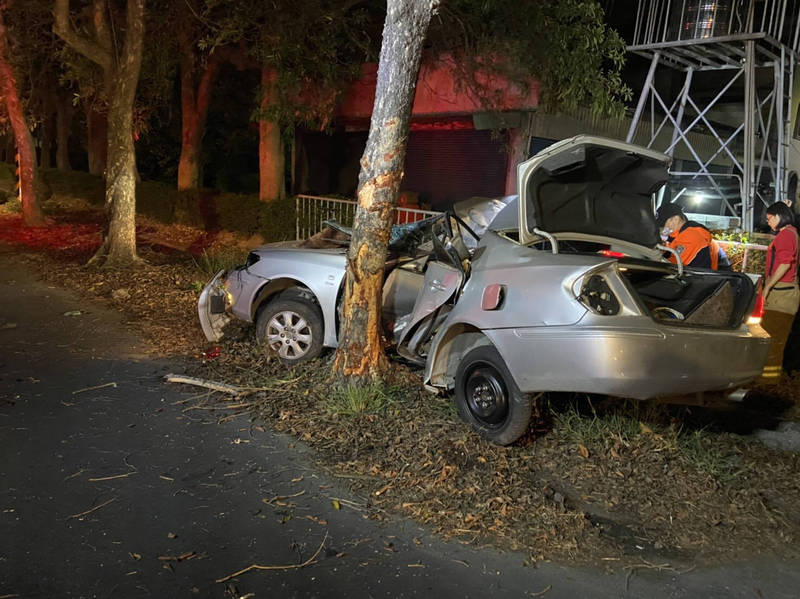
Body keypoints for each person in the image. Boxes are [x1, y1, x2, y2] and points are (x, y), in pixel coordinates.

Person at [759, 201, 800, 384]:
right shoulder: (792, 232)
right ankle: (769, 381)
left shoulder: (785, 236)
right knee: (775, 340)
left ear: (778, 217)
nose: (768, 222)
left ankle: (767, 383)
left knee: (772, 340)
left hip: (781, 295)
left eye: (769, 219)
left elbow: (785, 262)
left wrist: (768, 287)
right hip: (786, 293)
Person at [656, 202, 730, 269]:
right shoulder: (677, 233)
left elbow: (675, 266)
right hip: (703, 274)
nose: (663, 228)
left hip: (718, 277)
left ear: (676, 219)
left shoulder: (692, 234)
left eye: (663, 224)